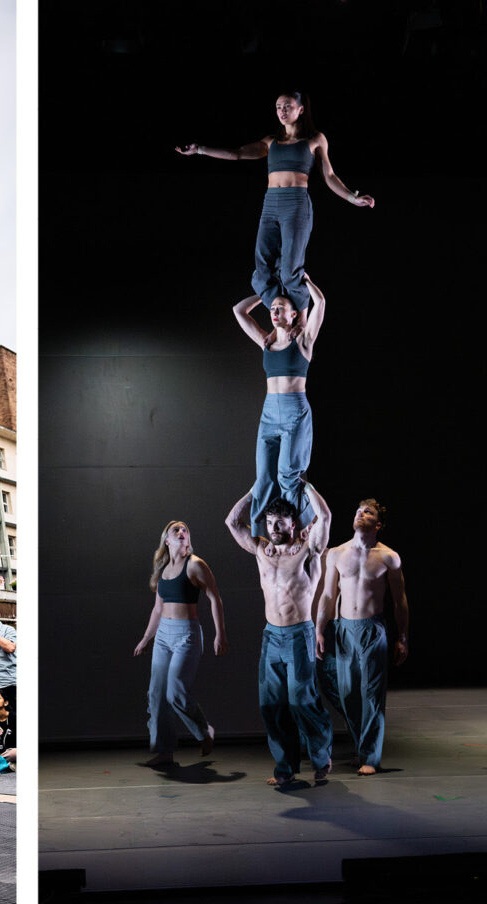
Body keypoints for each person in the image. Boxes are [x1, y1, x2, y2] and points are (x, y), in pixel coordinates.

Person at [175, 90, 374, 314]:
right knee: (262, 270)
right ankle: (281, 313)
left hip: (296, 205)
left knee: (290, 270)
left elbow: (329, 176)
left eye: (287, 106)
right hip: (270, 204)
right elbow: (238, 153)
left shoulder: (315, 139)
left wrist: (351, 197)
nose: (282, 111)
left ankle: (301, 318)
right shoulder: (271, 142)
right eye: (278, 107)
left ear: (301, 110)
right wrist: (200, 149)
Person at [227, 483, 334, 787]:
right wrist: (255, 489)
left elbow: (324, 518)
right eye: (270, 522)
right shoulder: (262, 550)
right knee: (271, 705)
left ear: (294, 524)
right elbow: (232, 522)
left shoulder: (308, 551)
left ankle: (321, 754)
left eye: (280, 522)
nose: (273, 527)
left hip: (299, 634)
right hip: (271, 637)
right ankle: (285, 766)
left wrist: (308, 486)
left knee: (302, 700)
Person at [314, 499, 409, 775]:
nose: (360, 514)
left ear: (377, 524)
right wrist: (320, 629)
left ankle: (370, 757)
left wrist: (403, 636)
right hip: (344, 628)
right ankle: (362, 745)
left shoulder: (388, 557)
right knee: (347, 694)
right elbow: (328, 595)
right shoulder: (336, 553)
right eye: (358, 510)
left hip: (372, 629)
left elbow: (399, 600)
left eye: (368, 512)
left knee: (372, 695)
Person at [233, 276, 325, 528]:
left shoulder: (303, 342)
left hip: (295, 409)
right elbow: (239, 311)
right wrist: (265, 296)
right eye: (272, 309)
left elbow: (321, 302)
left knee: (287, 474)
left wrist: (305, 282)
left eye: (279, 308)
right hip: (269, 412)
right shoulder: (266, 342)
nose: (273, 312)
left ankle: (298, 528)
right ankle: (263, 534)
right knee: (264, 477)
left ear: (294, 314)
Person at [133, 521, 227, 767]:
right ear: (167, 540)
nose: (181, 532)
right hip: (163, 634)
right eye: (176, 530)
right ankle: (164, 752)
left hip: (187, 634)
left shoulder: (195, 565)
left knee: (175, 690)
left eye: (185, 530)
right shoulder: (163, 570)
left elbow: (214, 597)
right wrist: (146, 638)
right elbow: (157, 609)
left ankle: (204, 731)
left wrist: (220, 634)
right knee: (156, 694)